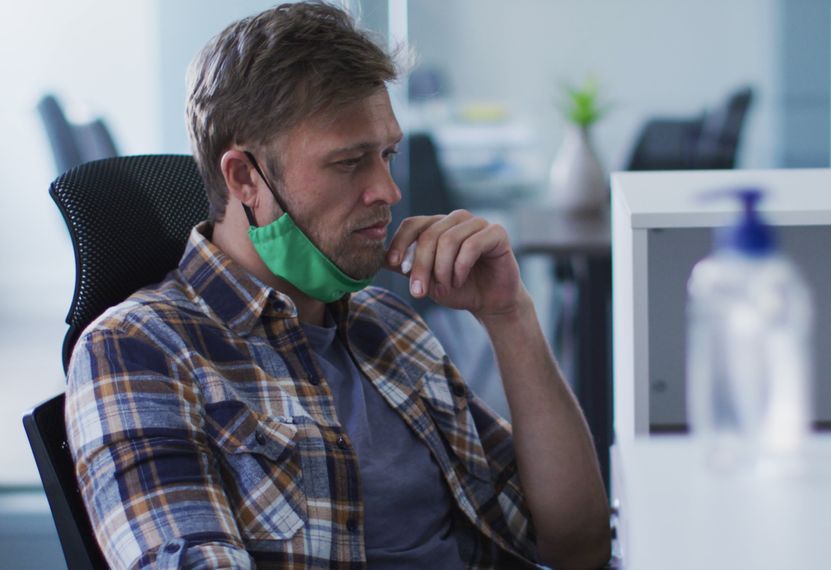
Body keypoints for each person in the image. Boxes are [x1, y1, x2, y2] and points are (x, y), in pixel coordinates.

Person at [64, 2, 610, 568]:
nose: (388, 191)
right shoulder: (140, 351)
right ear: (245, 178)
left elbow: (578, 544)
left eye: (387, 155)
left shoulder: (385, 325)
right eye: (350, 163)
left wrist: (509, 315)